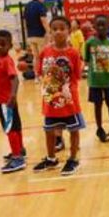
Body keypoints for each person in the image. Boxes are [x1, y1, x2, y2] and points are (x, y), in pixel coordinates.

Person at [33, 15, 84, 175]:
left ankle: (73, 159)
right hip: (49, 100)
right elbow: (40, 72)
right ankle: (51, 158)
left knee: (73, 130)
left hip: (69, 101)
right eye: (54, 29)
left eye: (62, 28)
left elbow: (77, 76)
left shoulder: (73, 53)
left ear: (69, 31)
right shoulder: (45, 52)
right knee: (49, 131)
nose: (58, 32)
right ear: (50, 31)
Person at [0, 29, 26, 173]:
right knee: (16, 127)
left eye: (2, 44)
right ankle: (19, 150)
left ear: (10, 46)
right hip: (3, 101)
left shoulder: (6, 61)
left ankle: (17, 159)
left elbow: (15, 79)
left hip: (6, 102)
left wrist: (12, 96)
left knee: (10, 129)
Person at [84, 15, 109, 143]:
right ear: (94, 27)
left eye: (103, 25)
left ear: (108, 27)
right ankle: (99, 129)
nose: (101, 27)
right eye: (98, 25)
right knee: (97, 105)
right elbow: (87, 59)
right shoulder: (89, 43)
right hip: (95, 82)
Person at [23, 0, 49, 80]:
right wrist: (49, 32)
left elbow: (25, 23)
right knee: (44, 56)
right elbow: (43, 20)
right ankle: (45, 75)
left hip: (30, 36)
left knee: (35, 57)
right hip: (40, 35)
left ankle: (36, 77)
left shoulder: (27, 6)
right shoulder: (40, 5)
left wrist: (28, 34)